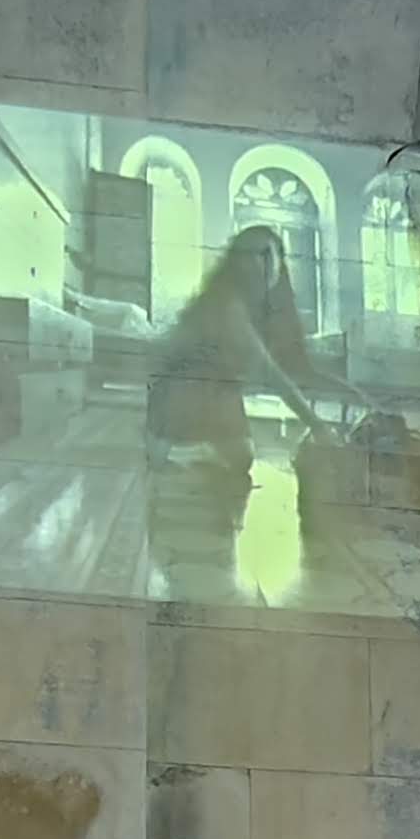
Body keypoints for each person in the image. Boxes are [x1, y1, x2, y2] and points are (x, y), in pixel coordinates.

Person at [144, 224, 348, 605]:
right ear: (236, 260)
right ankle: (180, 455)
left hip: (214, 402)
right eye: (253, 253)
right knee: (238, 460)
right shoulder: (226, 306)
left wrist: (350, 392)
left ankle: (188, 458)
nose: (261, 264)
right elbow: (273, 374)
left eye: (270, 255)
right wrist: (318, 425)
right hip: (182, 407)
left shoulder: (252, 308)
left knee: (240, 458)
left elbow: (296, 368)